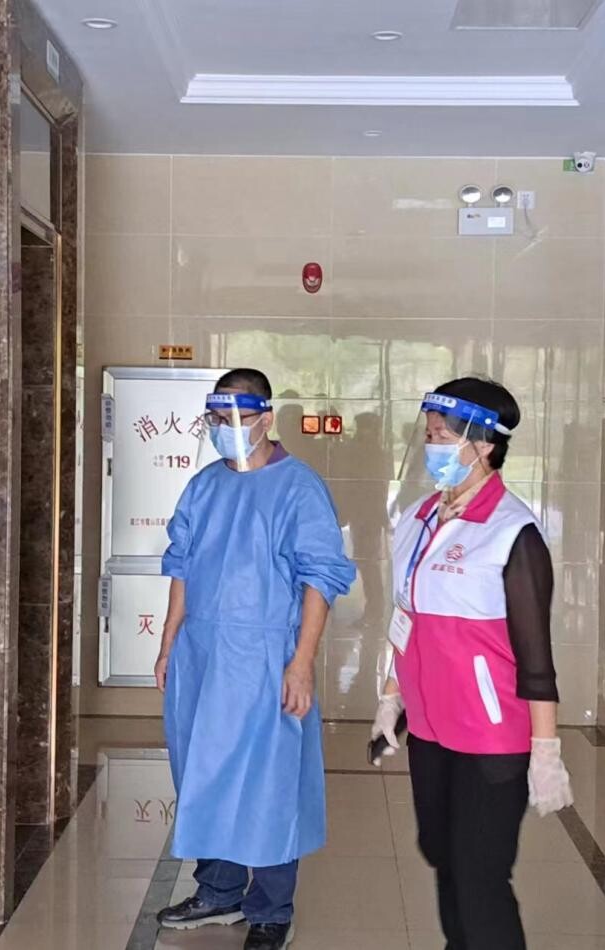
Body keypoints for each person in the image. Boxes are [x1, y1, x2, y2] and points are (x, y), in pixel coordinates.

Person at [154, 368, 356, 950]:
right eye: (216, 420)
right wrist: (169, 642)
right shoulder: (204, 486)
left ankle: (271, 909)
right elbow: (182, 564)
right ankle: (218, 890)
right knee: (202, 771)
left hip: (266, 656)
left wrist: (302, 662)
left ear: (267, 418)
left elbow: (321, 579)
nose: (226, 429)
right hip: (202, 655)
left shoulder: (298, 489)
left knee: (269, 783)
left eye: (237, 419)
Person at [370, 377, 574, 950]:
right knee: (442, 856)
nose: (430, 446)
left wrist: (546, 752)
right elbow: (406, 616)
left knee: (480, 875)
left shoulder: (513, 532)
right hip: (430, 729)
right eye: (428, 434)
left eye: (442, 436)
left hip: (491, 735)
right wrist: (392, 697)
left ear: (483, 444)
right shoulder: (418, 518)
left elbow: (536, 659)